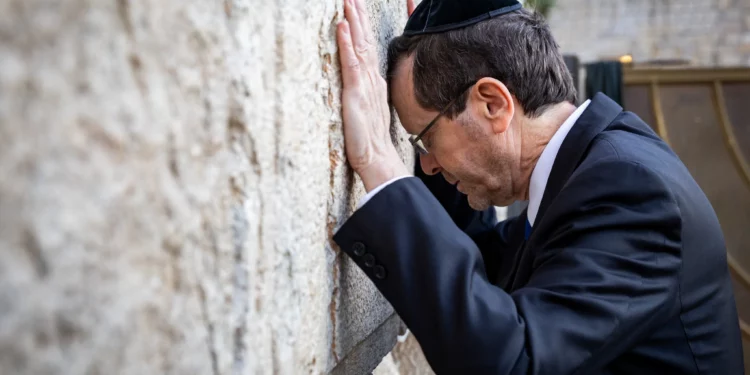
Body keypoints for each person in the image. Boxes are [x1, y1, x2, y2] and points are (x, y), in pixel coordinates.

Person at [332, 0, 745, 373]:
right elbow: (490, 266)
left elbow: (513, 362)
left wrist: (380, 165)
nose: (426, 165)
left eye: (425, 138)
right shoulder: (594, 168)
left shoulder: (631, 192)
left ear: (493, 104)